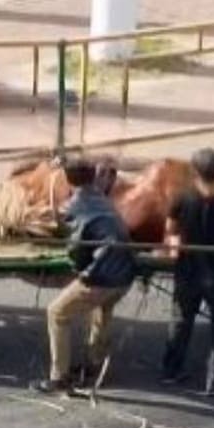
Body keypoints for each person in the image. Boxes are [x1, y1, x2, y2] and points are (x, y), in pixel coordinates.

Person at [32, 157, 136, 394]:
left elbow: (77, 248)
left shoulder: (73, 206)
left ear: (68, 180)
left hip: (102, 276)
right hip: (125, 273)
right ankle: (94, 364)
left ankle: (59, 378)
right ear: (93, 176)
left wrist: (79, 270)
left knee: (56, 312)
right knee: (102, 310)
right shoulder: (103, 197)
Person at [161, 147, 214, 396]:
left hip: (188, 269)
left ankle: (171, 371)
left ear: (194, 172)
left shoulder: (182, 197)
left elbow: (171, 228)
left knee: (181, 320)